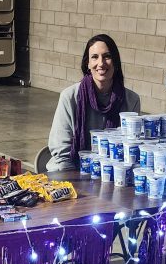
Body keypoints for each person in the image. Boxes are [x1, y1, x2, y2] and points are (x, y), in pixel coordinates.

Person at [46, 34, 141, 172]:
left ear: (115, 62)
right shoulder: (69, 97)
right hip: (69, 171)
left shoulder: (131, 100)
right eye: (95, 57)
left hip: (110, 173)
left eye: (107, 56)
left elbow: (128, 149)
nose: (101, 63)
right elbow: (62, 153)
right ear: (88, 63)